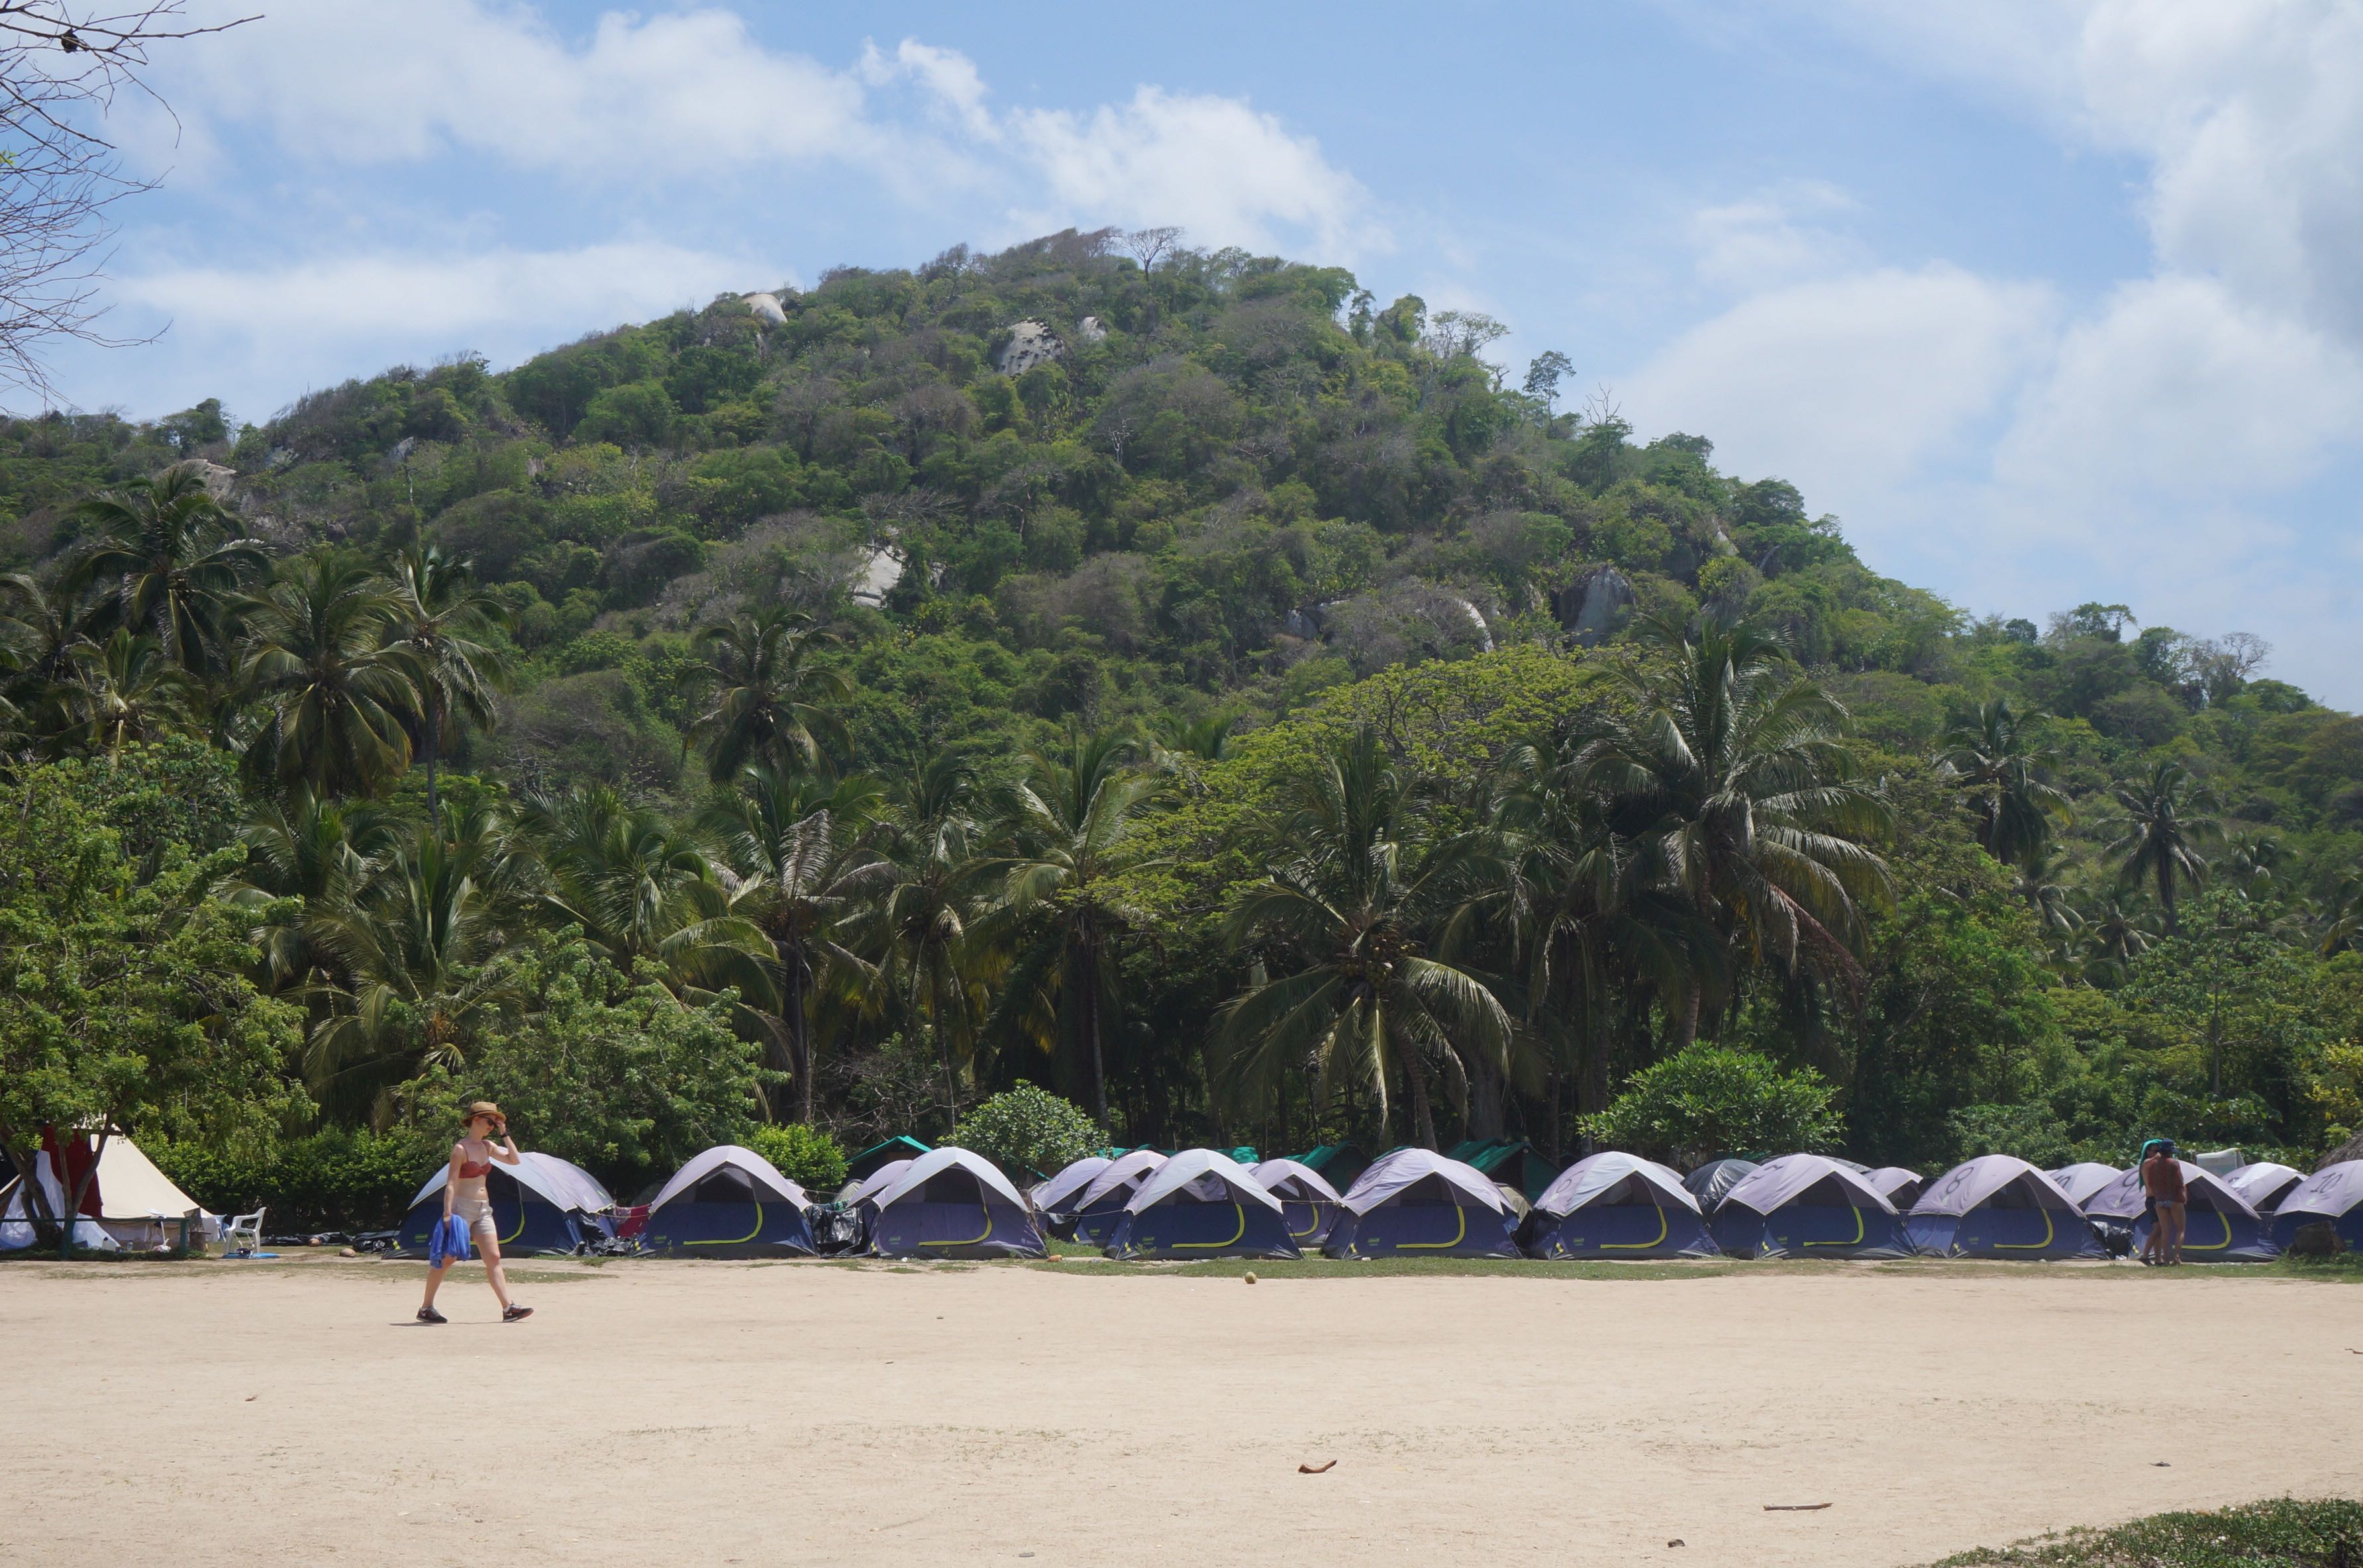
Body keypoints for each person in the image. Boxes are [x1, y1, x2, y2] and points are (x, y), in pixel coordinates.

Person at [418, 1102, 532, 1324]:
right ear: (475, 1120)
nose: (492, 1126)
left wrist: (504, 1132)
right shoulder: (460, 1149)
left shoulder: (488, 1146)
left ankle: (509, 1308)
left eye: (494, 1122)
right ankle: (426, 1307)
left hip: (483, 1209)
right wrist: (447, 1215)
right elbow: (450, 1184)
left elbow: (515, 1160)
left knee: (494, 1257)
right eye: (490, 1121)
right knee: (447, 1258)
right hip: (461, 1209)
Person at [2140, 1137, 2187, 1266]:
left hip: (2159, 1200)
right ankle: (2176, 1257)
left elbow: (2152, 1183)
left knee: (2165, 1231)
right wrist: (2184, 1196)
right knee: (2180, 1229)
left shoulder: (2152, 1165)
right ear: (2171, 1151)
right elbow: (2180, 1182)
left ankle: (2165, 1259)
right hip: (2174, 1199)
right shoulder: (2173, 1163)